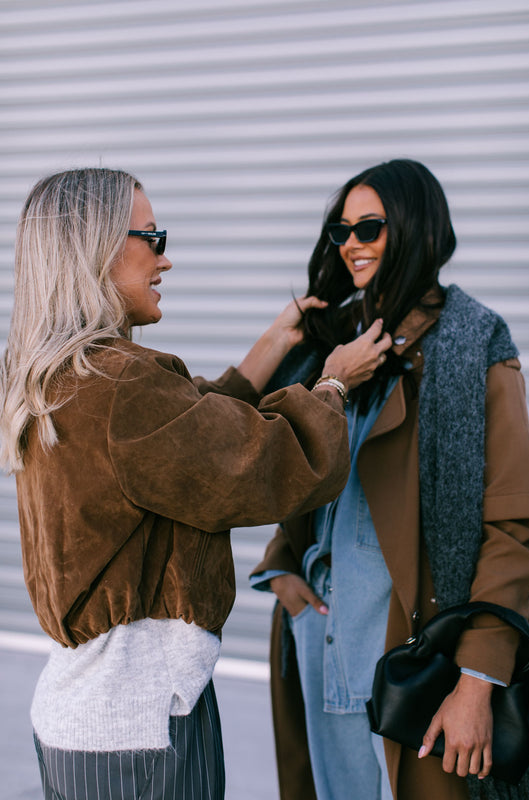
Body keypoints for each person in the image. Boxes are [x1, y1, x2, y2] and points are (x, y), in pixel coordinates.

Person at [0, 167, 391, 800]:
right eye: (151, 237)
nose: (166, 258)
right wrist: (333, 385)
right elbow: (262, 464)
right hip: (143, 729)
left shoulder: (63, 375)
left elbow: (186, 432)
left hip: (89, 718)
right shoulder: (123, 386)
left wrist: (273, 343)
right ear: (96, 245)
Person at [250, 159, 529, 800]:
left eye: (369, 228)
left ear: (414, 229)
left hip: (414, 664)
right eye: (340, 231)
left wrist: (479, 677)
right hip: (322, 645)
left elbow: (512, 524)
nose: (350, 244)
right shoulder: (332, 344)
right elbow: (274, 458)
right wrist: (284, 572)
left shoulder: (474, 342)